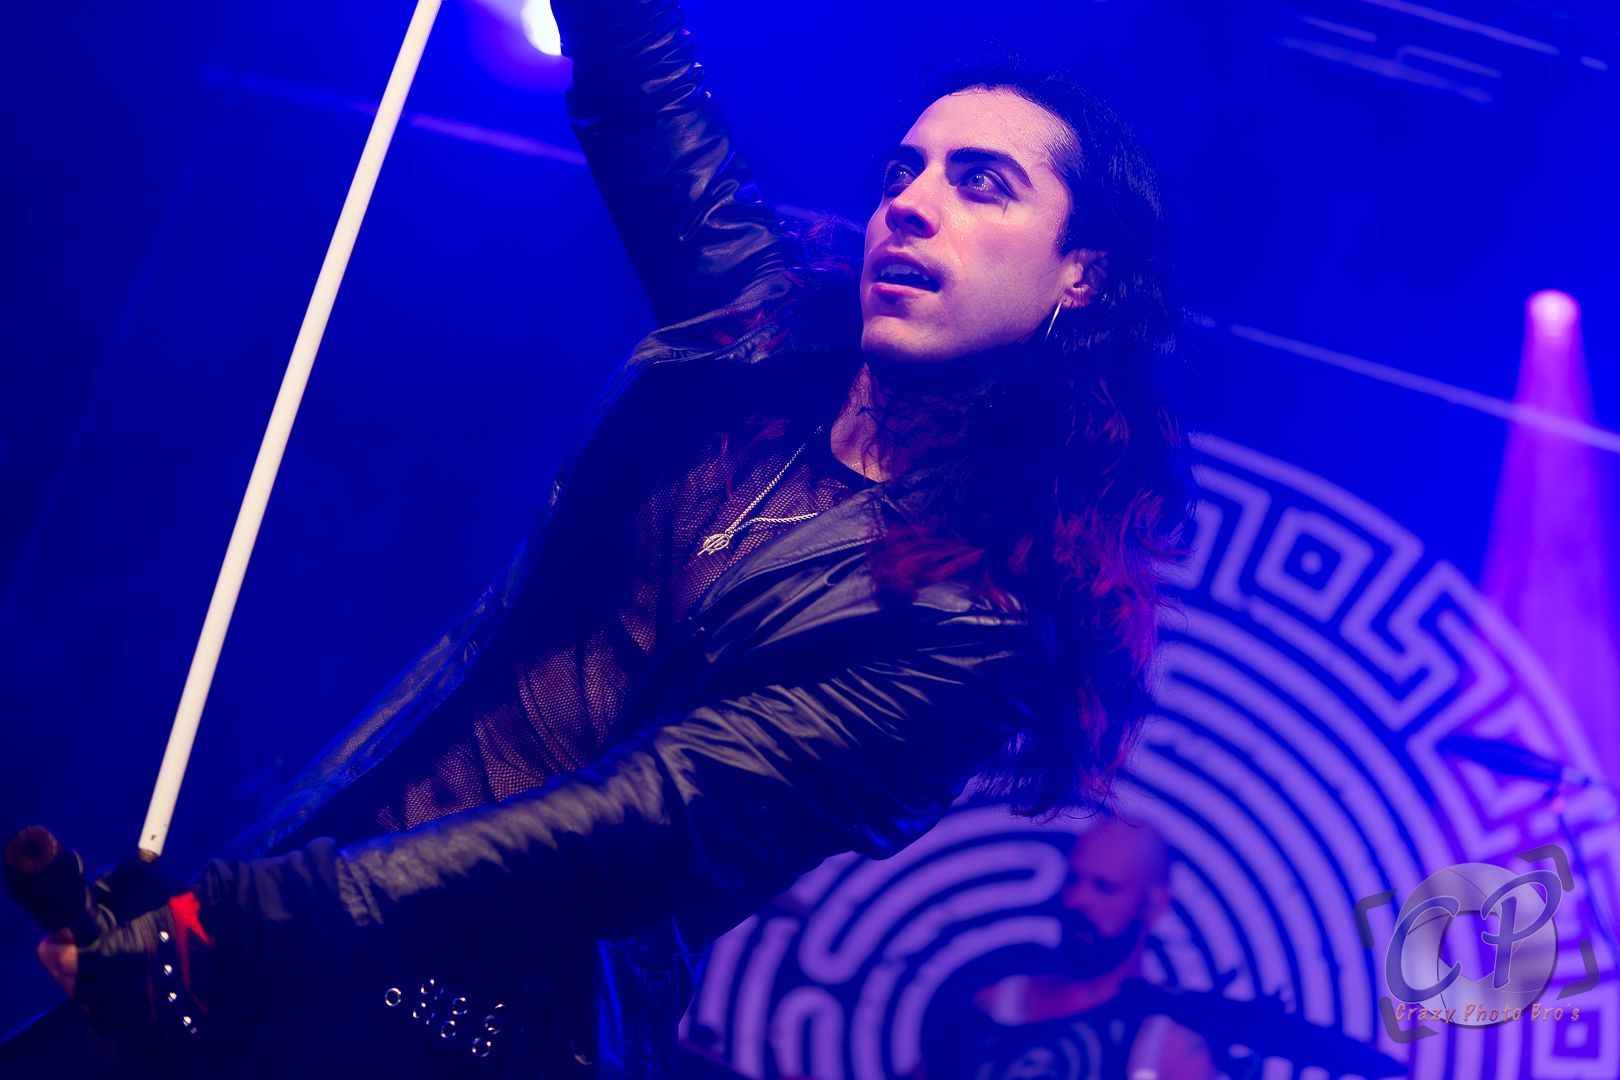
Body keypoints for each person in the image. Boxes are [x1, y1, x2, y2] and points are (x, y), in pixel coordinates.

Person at [29, 0, 1190, 1075]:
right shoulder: (761, 344)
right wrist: (249, 913)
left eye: (981, 183)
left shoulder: (977, 625)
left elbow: (645, 818)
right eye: (905, 169)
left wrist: (247, 921)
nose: (914, 202)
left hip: (471, 1025)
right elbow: (644, 93)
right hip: (311, 889)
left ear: (1080, 277)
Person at [937, 818, 1216, 1080]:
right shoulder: (995, 1004)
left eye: (1104, 887)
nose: (1077, 899)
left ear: (1154, 904)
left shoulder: (1170, 1050)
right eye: (1073, 879)